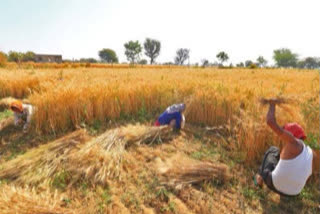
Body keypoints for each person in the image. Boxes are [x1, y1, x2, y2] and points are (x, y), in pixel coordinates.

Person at [254, 98, 319, 196]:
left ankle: (258, 180)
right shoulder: (312, 154)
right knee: (279, 157)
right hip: (294, 193)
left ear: (290, 134)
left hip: (275, 186)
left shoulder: (293, 142)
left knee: (273, 150)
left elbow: (270, 121)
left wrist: (272, 104)